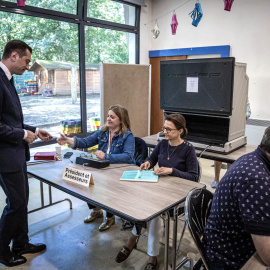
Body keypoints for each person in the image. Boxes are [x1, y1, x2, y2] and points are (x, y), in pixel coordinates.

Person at [115, 114, 198, 270]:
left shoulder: (188, 149)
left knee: (154, 215)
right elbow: (151, 159)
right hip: (160, 188)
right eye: (164, 128)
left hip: (178, 195)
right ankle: (137, 244)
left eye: (168, 129)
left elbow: (194, 177)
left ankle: (147, 253)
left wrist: (172, 171)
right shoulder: (162, 144)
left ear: (180, 131)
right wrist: (147, 163)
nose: (164, 132)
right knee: (142, 204)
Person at [0, 40, 52, 267]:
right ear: (13, 55)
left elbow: (11, 120)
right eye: (26, 60)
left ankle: (21, 243)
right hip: (5, 157)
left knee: (22, 202)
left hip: (16, 155)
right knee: (16, 203)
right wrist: (22, 135)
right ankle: (2, 250)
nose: (28, 66)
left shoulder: (8, 80)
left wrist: (33, 130)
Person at [57, 104, 135, 231]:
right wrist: (67, 140)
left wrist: (106, 156)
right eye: (108, 116)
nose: (108, 119)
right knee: (86, 181)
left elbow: (128, 156)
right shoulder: (102, 132)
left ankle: (110, 218)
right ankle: (96, 210)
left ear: (121, 120)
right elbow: (85, 142)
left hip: (120, 171)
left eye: (112, 117)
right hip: (104, 168)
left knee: (109, 187)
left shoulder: (127, 135)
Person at [204, 126, 270, 269]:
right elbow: (268, 256)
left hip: (225, 243)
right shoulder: (257, 181)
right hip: (228, 257)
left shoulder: (253, 159)